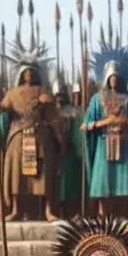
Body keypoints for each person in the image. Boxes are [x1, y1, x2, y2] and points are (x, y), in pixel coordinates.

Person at [84, 45, 128, 219]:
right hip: (104, 142)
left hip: (124, 141)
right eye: (111, 78)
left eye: (117, 77)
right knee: (103, 179)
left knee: (126, 178)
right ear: (106, 78)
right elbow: (86, 124)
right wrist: (104, 121)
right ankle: (103, 211)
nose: (114, 81)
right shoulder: (97, 99)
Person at [0, 44, 59, 221]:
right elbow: (4, 107)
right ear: (21, 74)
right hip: (18, 134)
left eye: (32, 72)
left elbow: (52, 116)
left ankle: (48, 210)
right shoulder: (12, 92)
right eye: (26, 72)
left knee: (42, 172)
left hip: (39, 134)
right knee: (17, 173)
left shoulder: (42, 92)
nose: (29, 75)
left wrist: (49, 102)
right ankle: (15, 209)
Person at [51, 74, 86, 219]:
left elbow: (77, 132)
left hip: (71, 152)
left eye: (62, 95)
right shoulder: (51, 111)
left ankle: (73, 211)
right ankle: (56, 211)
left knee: (71, 183)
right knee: (56, 183)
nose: (59, 97)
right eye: (57, 95)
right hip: (54, 151)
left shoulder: (74, 111)